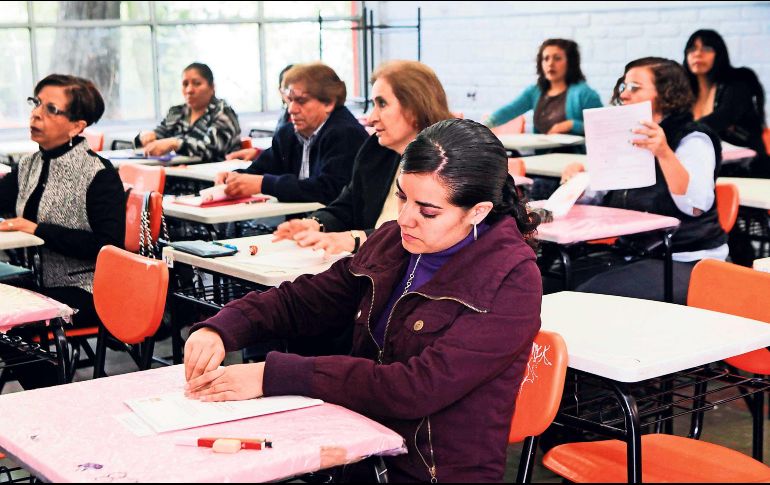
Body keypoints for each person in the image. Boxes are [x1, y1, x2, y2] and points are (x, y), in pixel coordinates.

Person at [183, 119, 542, 482]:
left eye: (428, 211)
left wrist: (275, 375)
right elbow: (306, 299)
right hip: (362, 447)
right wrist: (223, 327)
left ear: (478, 211)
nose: (405, 219)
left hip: (431, 471)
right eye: (402, 197)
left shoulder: (512, 280)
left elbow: (415, 388)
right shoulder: (393, 241)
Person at [560, 57, 727, 304]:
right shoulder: (625, 133)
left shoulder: (693, 139)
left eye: (635, 87)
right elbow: (597, 193)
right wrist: (578, 180)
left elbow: (695, 206)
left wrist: (664, 153)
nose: (624, 94)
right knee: (550, 282)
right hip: (633, 252)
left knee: (587, 296)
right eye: (623, 86)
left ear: (666, 93)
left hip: (688, 258)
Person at [0, 74, 125, 388]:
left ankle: (51, 392)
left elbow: (108, 246)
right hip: (37, 282)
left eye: (51, 109)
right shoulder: (29, 164)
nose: (36, 114)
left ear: (76, 126)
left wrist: (38, 229)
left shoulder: (98, 174)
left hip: (87, 289)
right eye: (37, 103)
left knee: (9, 322)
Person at [271, 60, 453, 254]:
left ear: (414, 108)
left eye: (382, 104)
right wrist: (315, 224)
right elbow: (348, 205)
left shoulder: (448, 162)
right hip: (372, 261)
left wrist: (354, 240)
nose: (371, 117)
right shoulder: (376, 150)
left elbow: (422, 234)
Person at [215, 62, 368, 204]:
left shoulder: (346, 133)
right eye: (289, 100)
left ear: (328, 103)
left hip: (335, 224)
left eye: (301, 101)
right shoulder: (288, 134)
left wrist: (264, 184)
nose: (291, 109)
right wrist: (234, 177)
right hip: (301, 221)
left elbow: (330, 190)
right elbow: (259, 171)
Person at [684, 29, 769, 178]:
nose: (697, 54)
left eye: (706, 48)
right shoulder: (684, 93)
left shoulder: (738, 80)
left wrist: (680, 132)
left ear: (719, 54)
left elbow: (724, 116)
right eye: (692, 49)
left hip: (746, 167)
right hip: (704, 168)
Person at [484, 38, 602, 135]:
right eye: (546, 58)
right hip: (541, 155)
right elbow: (510, 110)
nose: (550, 63)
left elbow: (602, 128)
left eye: (557, 58)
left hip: (575, 156)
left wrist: (572, 125)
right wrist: (484, 125)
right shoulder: (535, 91)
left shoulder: (585, 94)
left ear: (570, 62)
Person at [135, 62, 241, 162]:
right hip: (176, 172)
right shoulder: (177, 112)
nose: (189, 90)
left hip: (216, 174)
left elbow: (211, 149)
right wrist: (146, 136)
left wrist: (175, 144)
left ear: (212, 87)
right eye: (185, 84)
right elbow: (159, 135)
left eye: (197, 83)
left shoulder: (223, 112)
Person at [226, 64, 294, 162]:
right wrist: (257, 153)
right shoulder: (285, 117)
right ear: (281, 91)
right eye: (287, 87)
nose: (291, 92)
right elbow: (281, 154)